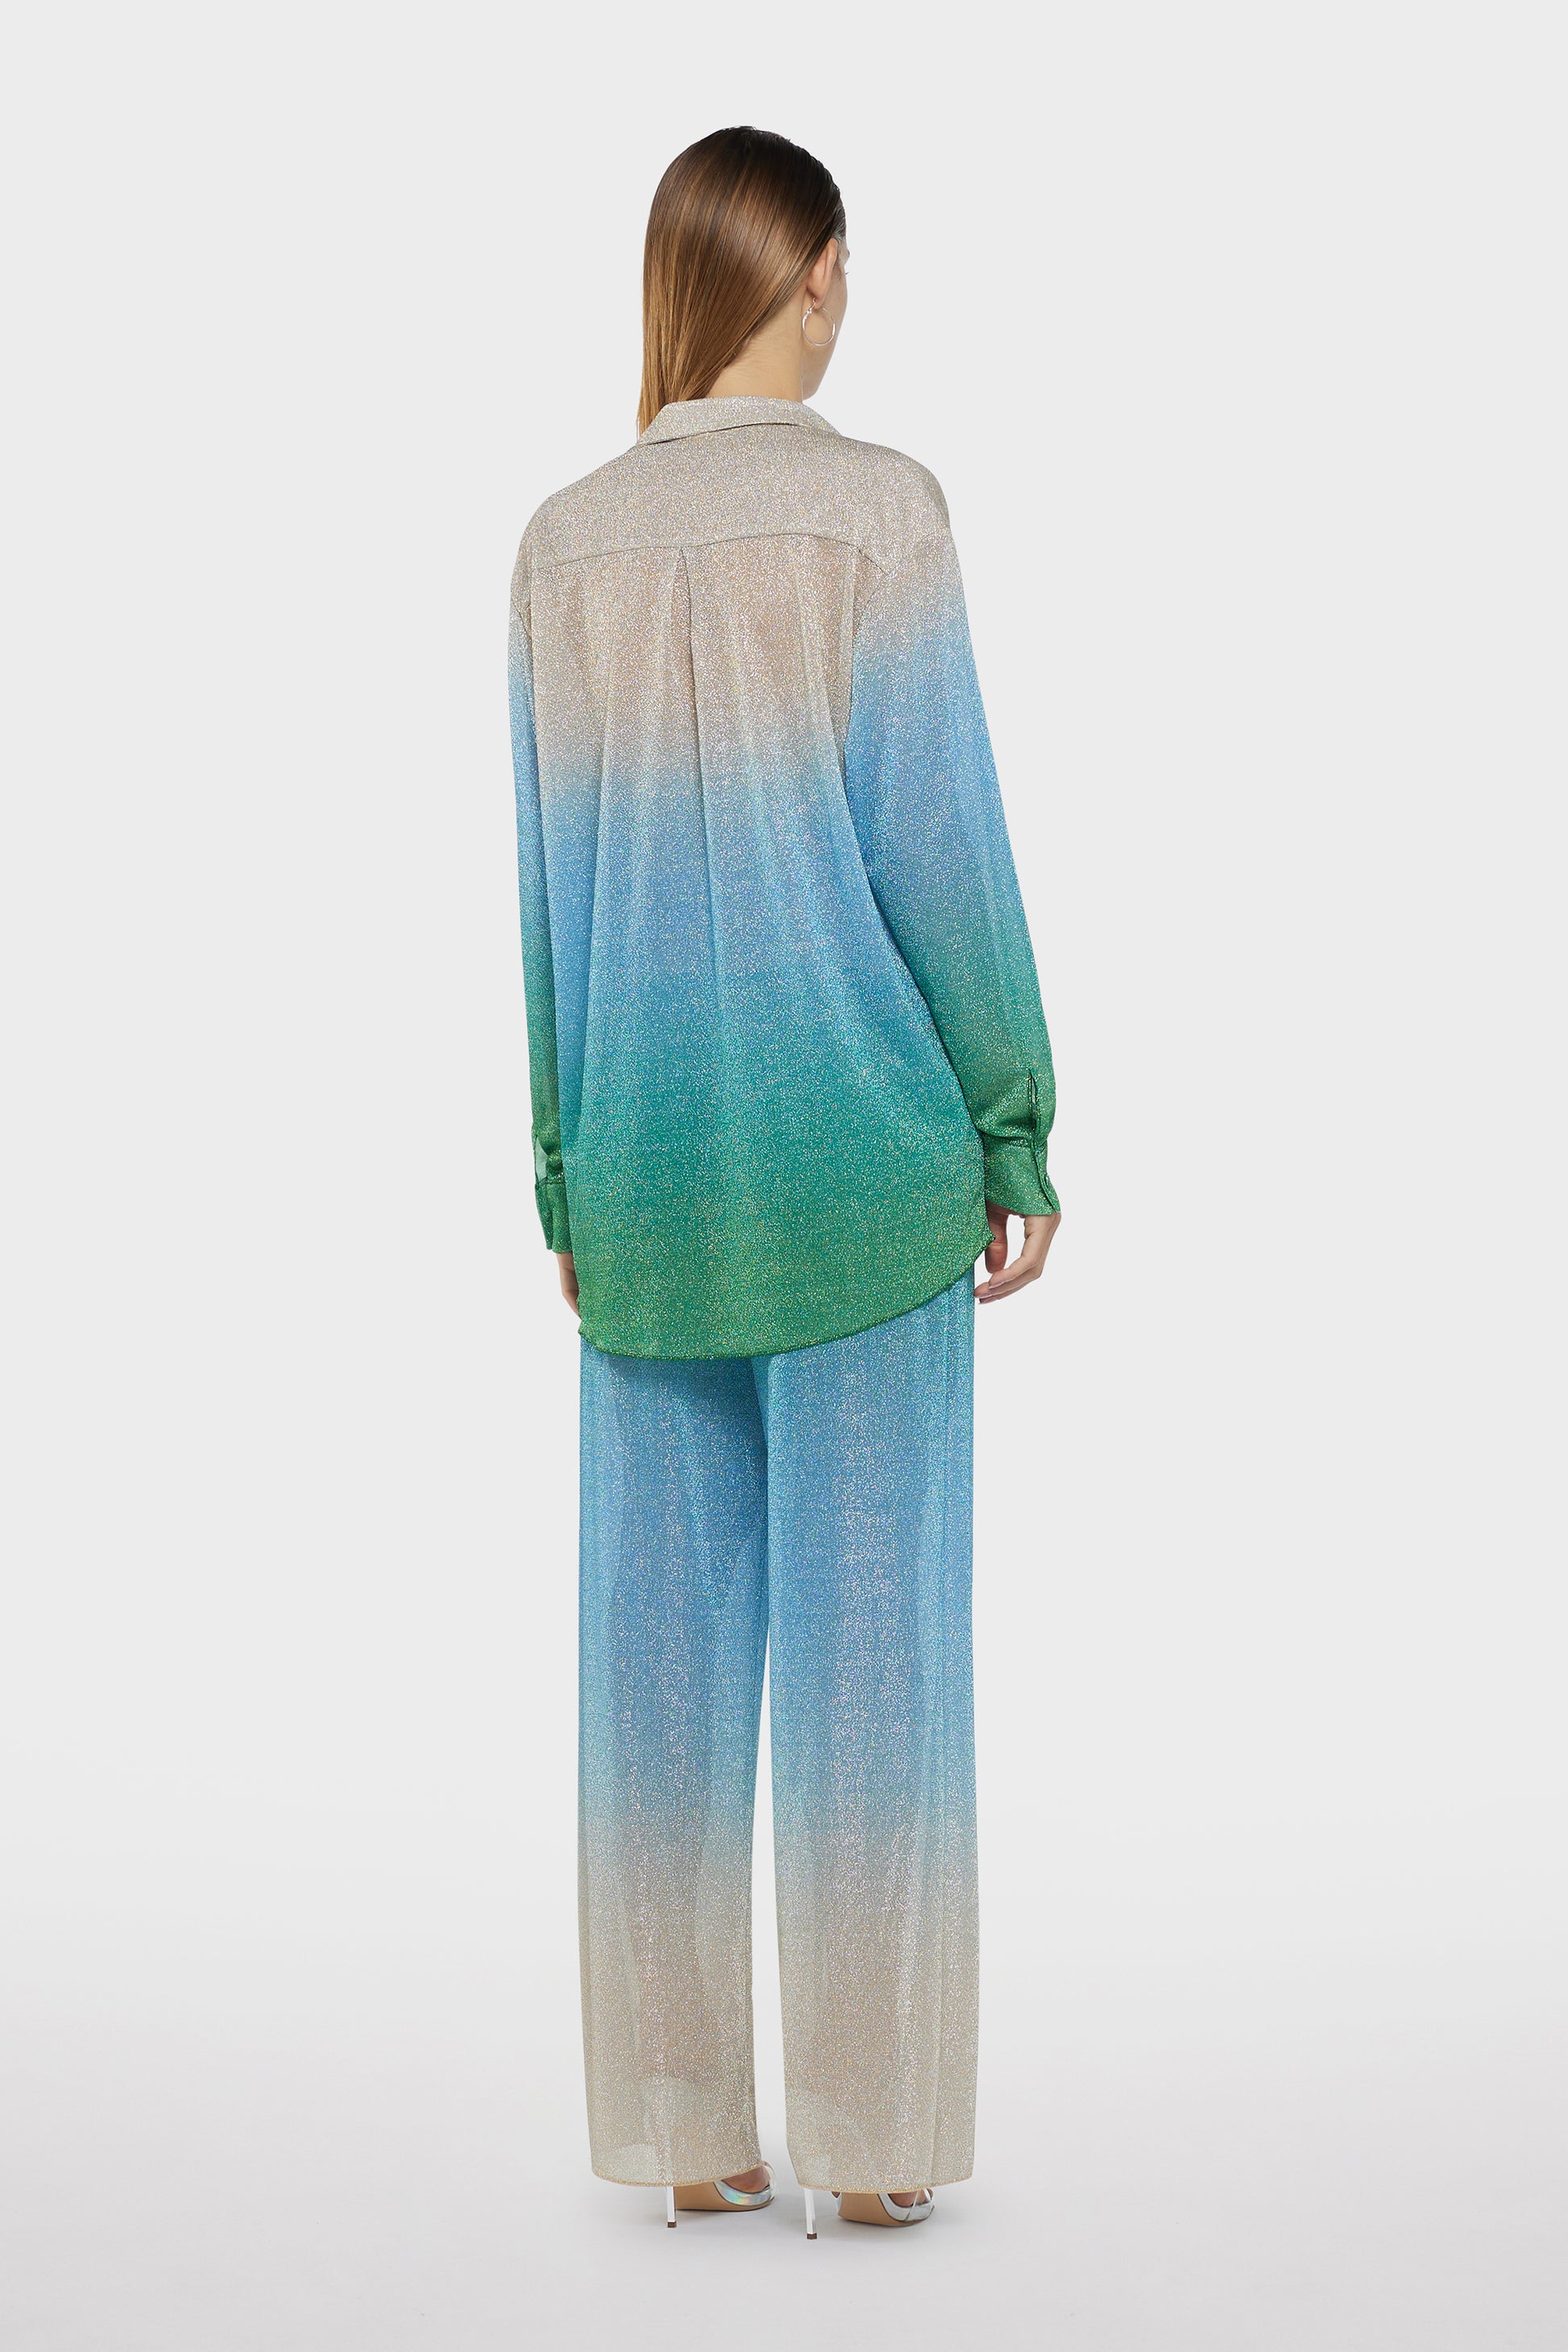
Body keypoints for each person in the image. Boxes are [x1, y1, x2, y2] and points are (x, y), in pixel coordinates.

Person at [508, 125, 1061, 2237]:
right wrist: (1011, 1116)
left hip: (648, 1175)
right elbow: (940, 842)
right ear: (815, 273)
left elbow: (548, 899)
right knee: (874, 1669)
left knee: (650, 1675)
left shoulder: (558, 546)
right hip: (861, 1168)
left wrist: (565, 1173)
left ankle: (685, 2132)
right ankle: (874, 2142)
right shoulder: (877, 512)